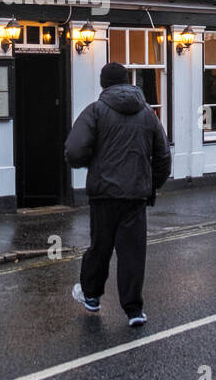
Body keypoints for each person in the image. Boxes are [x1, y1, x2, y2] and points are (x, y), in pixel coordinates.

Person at [65, 61, 171, 327]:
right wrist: (151, 184)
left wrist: (88, 163)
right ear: (127, 81)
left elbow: (75, 150)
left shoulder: (96, 111)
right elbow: (163, 155)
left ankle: (91, 297)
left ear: (103, 84)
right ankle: (134, 310)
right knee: (132, 253)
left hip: (104, 195)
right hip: (135, 195)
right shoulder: (148, 113)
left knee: (100, 247)